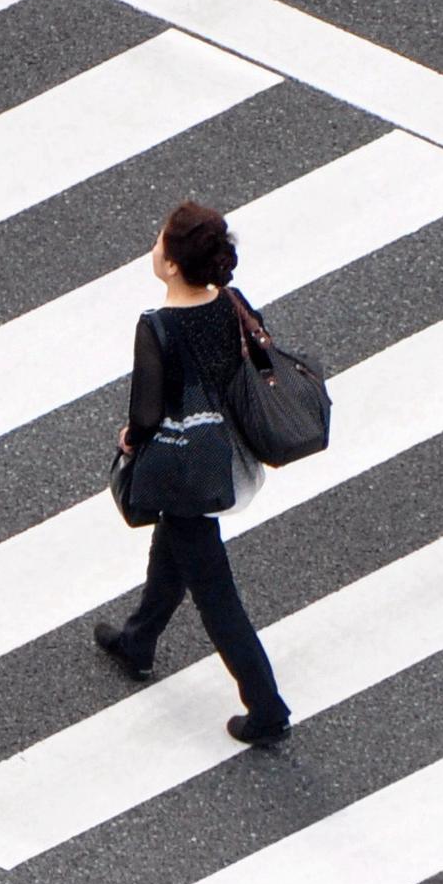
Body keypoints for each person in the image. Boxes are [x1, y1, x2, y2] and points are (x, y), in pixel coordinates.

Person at [93, 197, 291, 745]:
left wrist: (130, 442)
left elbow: (146, 413)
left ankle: (268, 708)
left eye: (160, 240)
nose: (154, 246)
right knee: (176, 547)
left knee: (217, 597)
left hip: (186, 470)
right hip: (228, 454)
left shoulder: (158, 327)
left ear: (173, 264)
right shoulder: (231, 303)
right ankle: (139, 640)